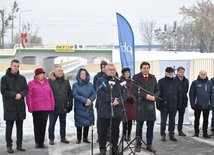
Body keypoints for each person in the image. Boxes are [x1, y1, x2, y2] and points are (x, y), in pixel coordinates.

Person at [96, 63, 127, 155]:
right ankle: (102, 149)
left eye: (114, 69)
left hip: (117, 111)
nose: (112, 71)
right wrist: (111, 100)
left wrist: (119, 101)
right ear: (106, 70)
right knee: (103, 131)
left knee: (115, 131)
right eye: (110, 70)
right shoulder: (100, 80)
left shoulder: (120, 81)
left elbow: (125, 93)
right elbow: (99, 93)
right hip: (104, 111)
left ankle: (114, 148)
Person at [1, 59, 28, 153]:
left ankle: (19, 145)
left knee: (20, 127)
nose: (16, 68)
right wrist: (14, 95)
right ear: (11, 66)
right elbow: (4, 91)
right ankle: (9, 145)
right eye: (14, 66)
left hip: (20, 107)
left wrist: (21, 94)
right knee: (9, 127)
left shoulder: (22, 78)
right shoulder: (4, 78)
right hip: (10, 107)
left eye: (17, 66)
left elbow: (26, 89)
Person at [131, 62, 160, 153]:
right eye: (144, 68)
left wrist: (155, 96)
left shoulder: (153, 78)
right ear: (141, 69)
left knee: (150, 126)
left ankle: (149, 144)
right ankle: (138, 144)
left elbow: (157, 90)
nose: (146, 69)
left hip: (151, 105)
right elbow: (133, 91)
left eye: (147, 68)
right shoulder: (136, 78)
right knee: (139, 126)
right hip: (141, 105)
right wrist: (146, 96)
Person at [26, 68, 55, 148]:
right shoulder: (31, 83)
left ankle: (42, 142)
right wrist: (30, 107)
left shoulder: (47, 83)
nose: (42, 75)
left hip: (46, 108)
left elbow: (51, 95)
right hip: (36, 108)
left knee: (43, 125)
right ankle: (37, 142)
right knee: (37, 125)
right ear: (37, 75)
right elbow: (29, 96)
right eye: (41, 74)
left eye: (43, 74)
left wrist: (52, 105)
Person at [48, 66, 73, 145]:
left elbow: (69, 93)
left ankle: (63, 137)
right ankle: (51, 138)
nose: (61, 72)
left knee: (63, 123)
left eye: (62, 71)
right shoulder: (50, 81)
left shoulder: (66, 81)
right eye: (59, 71)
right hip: (53, 107)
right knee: (52, 123)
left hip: (63, 105)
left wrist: (70, 104)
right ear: (55, 72)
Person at [156, 67, 181, 142]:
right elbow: (158, 93)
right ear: (165, 73)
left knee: (172, 121)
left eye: (172, 73)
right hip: (164, 104)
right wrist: (158, 104)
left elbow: (179, 93)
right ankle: (163, 134)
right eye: (169, 73)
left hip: (173, 104)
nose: (170, 74)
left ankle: (171, 134)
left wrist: (179, 104)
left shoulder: (176, 81)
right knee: (163, 121)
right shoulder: (161, 81)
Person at [72, 68, 96, 144]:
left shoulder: (90, 84)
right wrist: (85, 100)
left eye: (84, 74)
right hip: (79, 106)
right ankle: (79, 138)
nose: (83, 75)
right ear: (79, 75)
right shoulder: (75, 85)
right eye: (82, 74)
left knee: (87, 122)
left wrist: (90, 100)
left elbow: (94, 93)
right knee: (79, 123)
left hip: (88, 106)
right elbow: (75, 95)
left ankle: (85, 138)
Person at [189, 70, 214, 138]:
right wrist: (193, 103)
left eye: (204, 74)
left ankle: (205, 133)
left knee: (206, 119)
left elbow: (212, 93)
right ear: (199, 74)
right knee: (197, 119)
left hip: (206, 105)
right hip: (198, 105)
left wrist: (212, 104)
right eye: (202, 74)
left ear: (206, 75)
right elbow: (192, 94)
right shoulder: (195, 83)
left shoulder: (209, 83)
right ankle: (196, 132)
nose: (203, 75)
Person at [93, 60, 108, 142]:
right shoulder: (97, 77)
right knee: (100, 121)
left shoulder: (112, 76)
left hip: (110, 102)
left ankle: (108, 136)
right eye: (103, 67)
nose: (104, 69)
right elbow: (96, 89)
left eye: (106, 67)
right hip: (100, 102)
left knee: (109, 120)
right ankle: (100, 136)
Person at [121, 67, 136, 142]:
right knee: (124, 120)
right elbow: (121, 91)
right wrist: (127, 97)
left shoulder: (132, 81)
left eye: (128, 72)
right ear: (123, 73)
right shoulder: (121, 81)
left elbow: (135, 91)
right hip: (125, 102)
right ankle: (124, 134)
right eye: (126, 72)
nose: (127, 73)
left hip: (131, 103)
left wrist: (132, 97)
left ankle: (129, 134)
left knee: (130, 120)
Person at [175, 66, 189, 136]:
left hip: (183, 101)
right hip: (175, 101)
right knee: (172, 117)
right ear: (177, 72)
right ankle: (171, 131)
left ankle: (180, 130)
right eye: (181, 72)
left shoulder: (186, 80)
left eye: (183, 72)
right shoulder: (174, 80)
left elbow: (186, 90)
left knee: (181, 116)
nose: (182, 73)